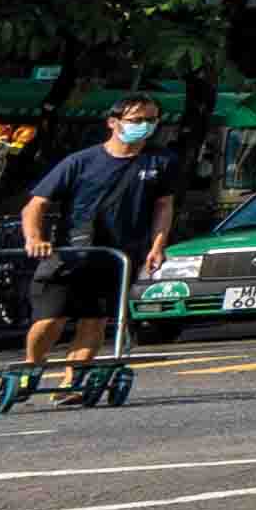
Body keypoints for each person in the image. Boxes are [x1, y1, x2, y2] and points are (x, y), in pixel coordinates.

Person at [18, 105, 173, 375]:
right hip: (72, 252)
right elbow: (35, 205)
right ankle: (31, 367)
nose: (145, 125)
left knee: (95, 319)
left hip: (120, 254)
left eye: (151, 120)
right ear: (113, 122)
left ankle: (74, 379)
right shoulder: (80, 161)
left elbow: (164, 206)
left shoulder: (161, 162)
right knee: (51, 318)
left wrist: (157, 246)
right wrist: (34, 238)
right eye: (137, 119)